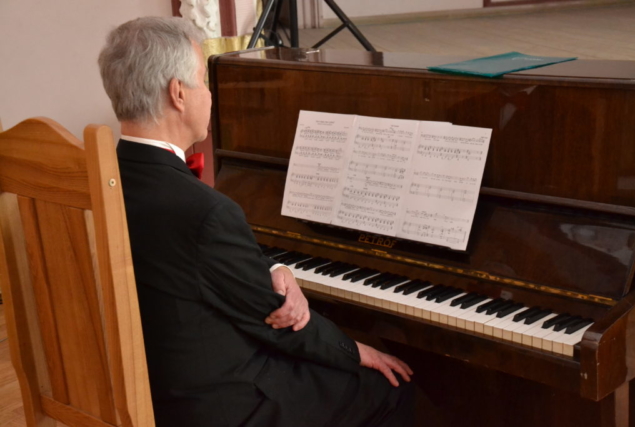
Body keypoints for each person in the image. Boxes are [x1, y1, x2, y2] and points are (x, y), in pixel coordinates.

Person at [98, 16, 414, 427]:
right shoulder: (204, 210)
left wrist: (277, 266)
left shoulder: (105, 181)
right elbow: (278, 322)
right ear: (178, 93)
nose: (209, 94)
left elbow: (204, 262)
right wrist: (356, 351)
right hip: (222, 405)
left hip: (150, 386)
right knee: (386, 387)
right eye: (203, 81)